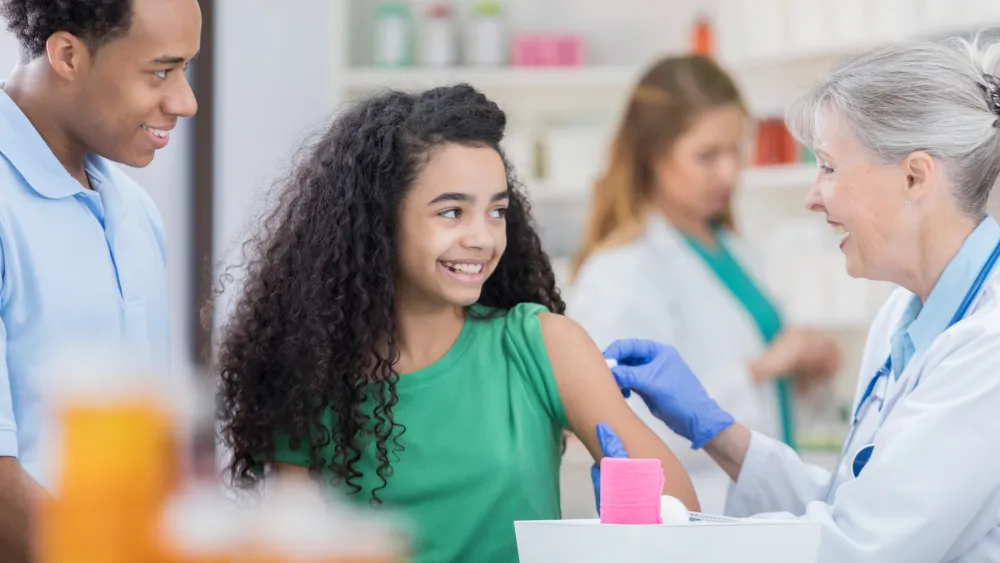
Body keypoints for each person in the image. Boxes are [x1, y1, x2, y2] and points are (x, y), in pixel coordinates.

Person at [213, 84, 699, 563]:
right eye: (452, 211)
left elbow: (684, 519)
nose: (483, 238)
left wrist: (632, 519)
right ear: (380, 221)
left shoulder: (540, 346)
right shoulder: (311, 377)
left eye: (497, 211)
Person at [599, 36, 1000, 562]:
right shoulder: (899, 320)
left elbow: (855, 548)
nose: (814, 195)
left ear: (914, 175)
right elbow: (845, 506)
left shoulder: (987, 347)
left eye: (829, 167)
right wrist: (720, 433)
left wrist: (676, 535)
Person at [566, 54, 840, 512]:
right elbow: (624, 435)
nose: (729, 173)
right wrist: (763, 367)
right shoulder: (619, 272)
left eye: (736, 150)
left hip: (766, 511)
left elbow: (768, 410)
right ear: (652, 155)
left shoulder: (732, 247)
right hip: (701, 514)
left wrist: (806, 371)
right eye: (707, 155)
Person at [0, 0, 200, 560]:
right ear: (67, 54)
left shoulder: (135, 211)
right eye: (160, 71)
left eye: (187, 69)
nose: (185, 102)